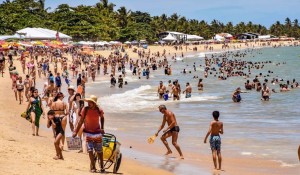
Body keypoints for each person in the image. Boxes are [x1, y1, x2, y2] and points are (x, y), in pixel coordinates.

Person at [72, 95, 105, 173]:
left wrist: (102, 128)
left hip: (97, 133)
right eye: (88, 102)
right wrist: (75, 131)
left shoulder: (99, 109)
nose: (89, 103)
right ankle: (93, 167)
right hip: (88, 133)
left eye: (90, 102)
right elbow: (80, 121)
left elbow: (102, 117)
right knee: (90, 150)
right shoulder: (85, 109)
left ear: (94, 103)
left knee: (99, 151)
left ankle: (102, 166)